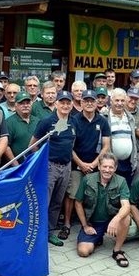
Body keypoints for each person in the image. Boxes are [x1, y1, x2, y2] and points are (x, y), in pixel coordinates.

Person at [59, 89, 111, 240]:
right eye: (86, 100)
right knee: (72, 193)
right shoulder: (73, 120)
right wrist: (81, 164)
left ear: (97, 103)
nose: (89, 103)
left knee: (94, 194)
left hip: (96, 165)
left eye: (92, 101)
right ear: (81, 103)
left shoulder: (102, 121)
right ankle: (67, 224)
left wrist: (95, 164)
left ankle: (90, 223)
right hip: (76, 163)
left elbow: (106, 145)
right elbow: (69, 145)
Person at [30, 91, 77, 247]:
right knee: (45, 201)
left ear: (71, 104)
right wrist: (42, 163)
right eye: (62, 102)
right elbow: (33, 145)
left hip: (66, 166)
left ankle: (49, 232)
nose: (65, 105)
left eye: (68, 103)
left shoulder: (73, 121)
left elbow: (72, 144)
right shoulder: (47, 121)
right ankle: (38, 233)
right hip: (50, 166)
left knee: (57, 202)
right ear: (56, 103)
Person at [74, 153, 131, 267]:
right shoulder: (87, 180)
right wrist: (85, 226)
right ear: (99, 166)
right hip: (93, 223)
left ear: (115, 168)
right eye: (104, 166)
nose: (107, 170)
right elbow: (78, 203)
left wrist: (116, 219)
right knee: (83, 252)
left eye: (111, 167)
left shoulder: (121, 181)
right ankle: (97, 238)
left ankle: (117, 251)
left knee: (126, 217)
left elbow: (126, 206)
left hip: (111, 220)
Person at [104, 88, 139, 187]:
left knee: (124, 191)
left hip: (128, 163)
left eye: (122, 100)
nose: (120, 103)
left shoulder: (130, 118)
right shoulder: (105, 116)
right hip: (110, 164)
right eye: (117, 100)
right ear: (111, 101)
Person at [4, 91, 40, 165]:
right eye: (22, 103)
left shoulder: (38, 121)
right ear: (16, 105)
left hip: (35, 165)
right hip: (17, 167)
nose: (25, 105)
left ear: (31, 104)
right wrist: (16, 165)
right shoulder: (9, 122)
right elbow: (6, 147)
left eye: (27, 103)